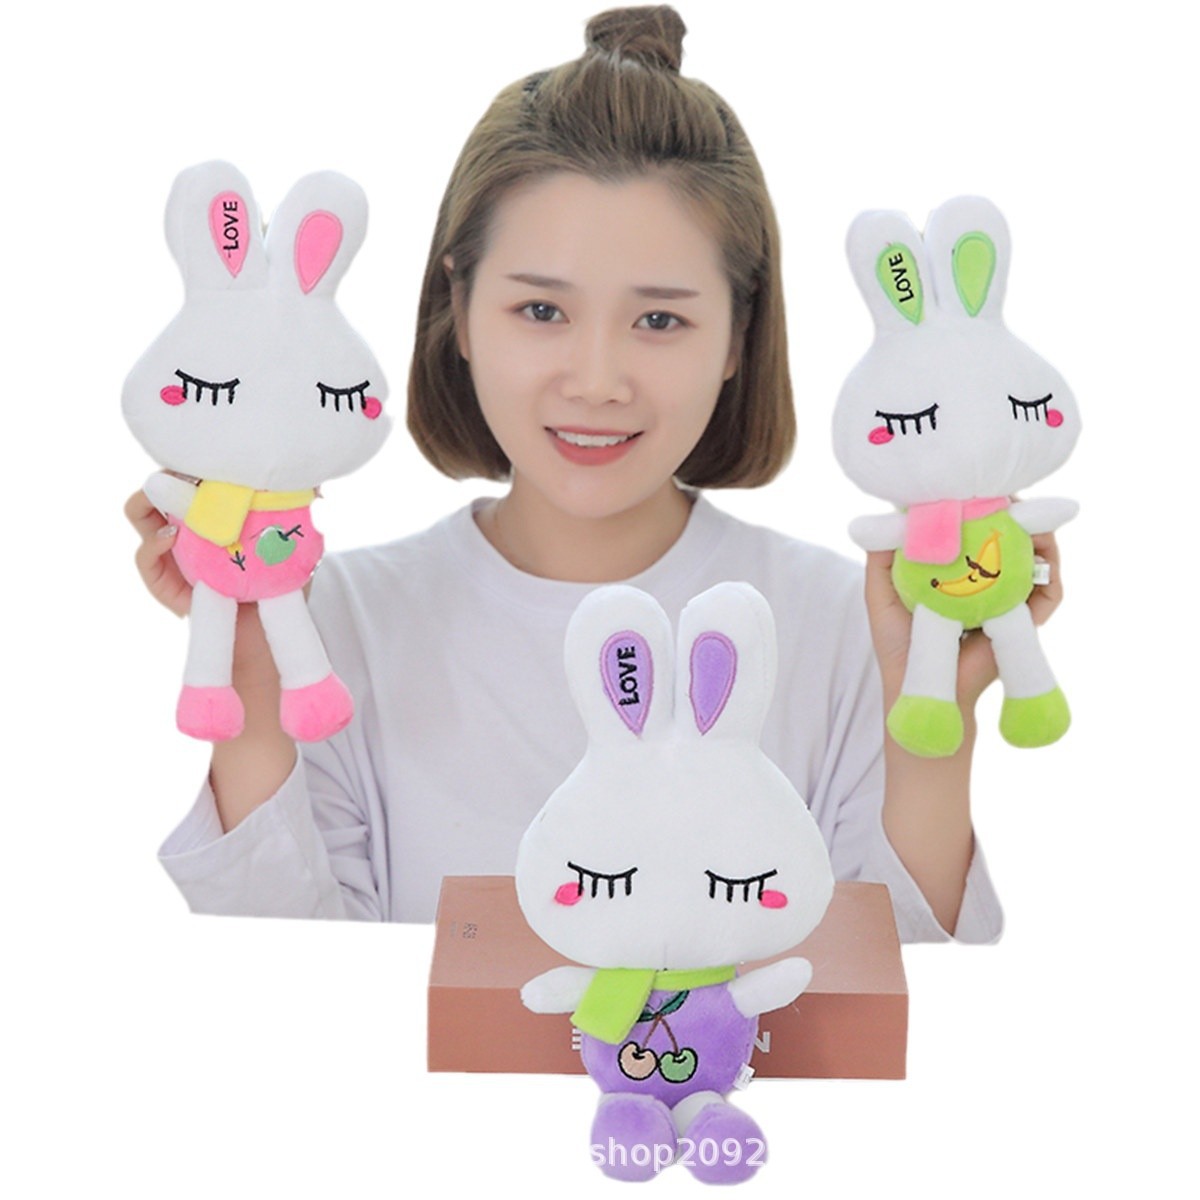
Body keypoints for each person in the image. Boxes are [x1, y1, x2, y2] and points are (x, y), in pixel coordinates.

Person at [126, 5, 1061, 942]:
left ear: (738, 338)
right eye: (542, 311)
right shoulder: (332, 628)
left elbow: (898, 997)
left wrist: (935, 716)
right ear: (460, 305)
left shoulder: (849, 624)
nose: (597, 380)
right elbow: (284, 988)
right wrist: (249, 673)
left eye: (659, 320)